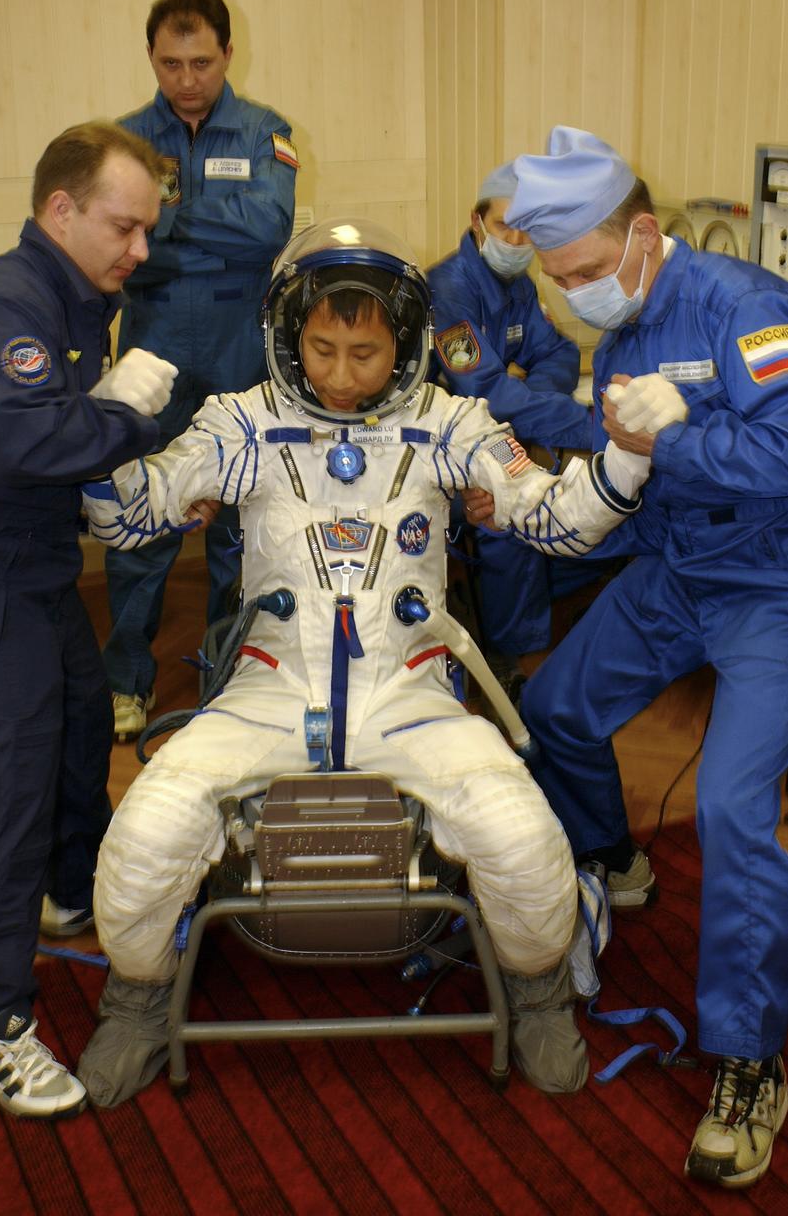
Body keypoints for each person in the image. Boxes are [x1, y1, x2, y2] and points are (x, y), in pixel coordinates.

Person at [75, 217, 651, 1108]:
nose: (342, 377)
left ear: (407, 345)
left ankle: (538, 995)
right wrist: (104, 431)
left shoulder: (450, 423)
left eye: (366, 352)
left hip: (409, 696)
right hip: (268, 694)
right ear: (286, 339)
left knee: (523, 840)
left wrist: (625, 455)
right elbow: (126, 518)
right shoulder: (240, 423)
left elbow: (556, 520)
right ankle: (139, 1002)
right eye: (322, 349)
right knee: (145, 838)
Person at [502, 126, 788, 1188]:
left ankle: (749, 1058)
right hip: (671, 569)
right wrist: (533, 512)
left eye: (586, 272)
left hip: (767, 584)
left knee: (724, 807)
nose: (577, 297)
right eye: (557, 278)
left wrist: (676, 434)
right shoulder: (620, 330)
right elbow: (631, 474)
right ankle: (612, 860)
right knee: (555, 710)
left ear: (641, 235)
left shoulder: (741, 307)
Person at [0, 120, 179, 1119]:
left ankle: (68, 895)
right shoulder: (0, 305)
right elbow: (29, 442)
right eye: (123, 226)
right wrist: (129, 411)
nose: (139, 249)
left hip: (34, 568)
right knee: (0, 787)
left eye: (147, 229)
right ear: (58, 210)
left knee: (74, 729)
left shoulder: (74, 300)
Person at [103, 0, 298, 742]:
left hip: (238, 347)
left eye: (201, 62)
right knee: (142, 519)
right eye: (170, 63)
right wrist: (211, 229)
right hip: (152, 345)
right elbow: (122, 250)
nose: (186, 79)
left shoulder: (263, 130)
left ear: (226, 55)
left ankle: (231, 669)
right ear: (151, 58)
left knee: (240, 526)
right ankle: (126, 681)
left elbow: (271, 228)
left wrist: (169, 215)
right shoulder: (118, 142)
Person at [428, 162, 601, 692]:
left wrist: (527, 398)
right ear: (476, 222)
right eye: (505, 226)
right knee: (501, 509)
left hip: (503, 434)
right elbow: (482, 390)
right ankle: (511, 651)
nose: (517, 239)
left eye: (528, 228)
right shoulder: (448, 289)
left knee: (577, 487)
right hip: (444, 451)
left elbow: (561, 352)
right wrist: (588, 427)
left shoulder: (519, 284)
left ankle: (540, 602)